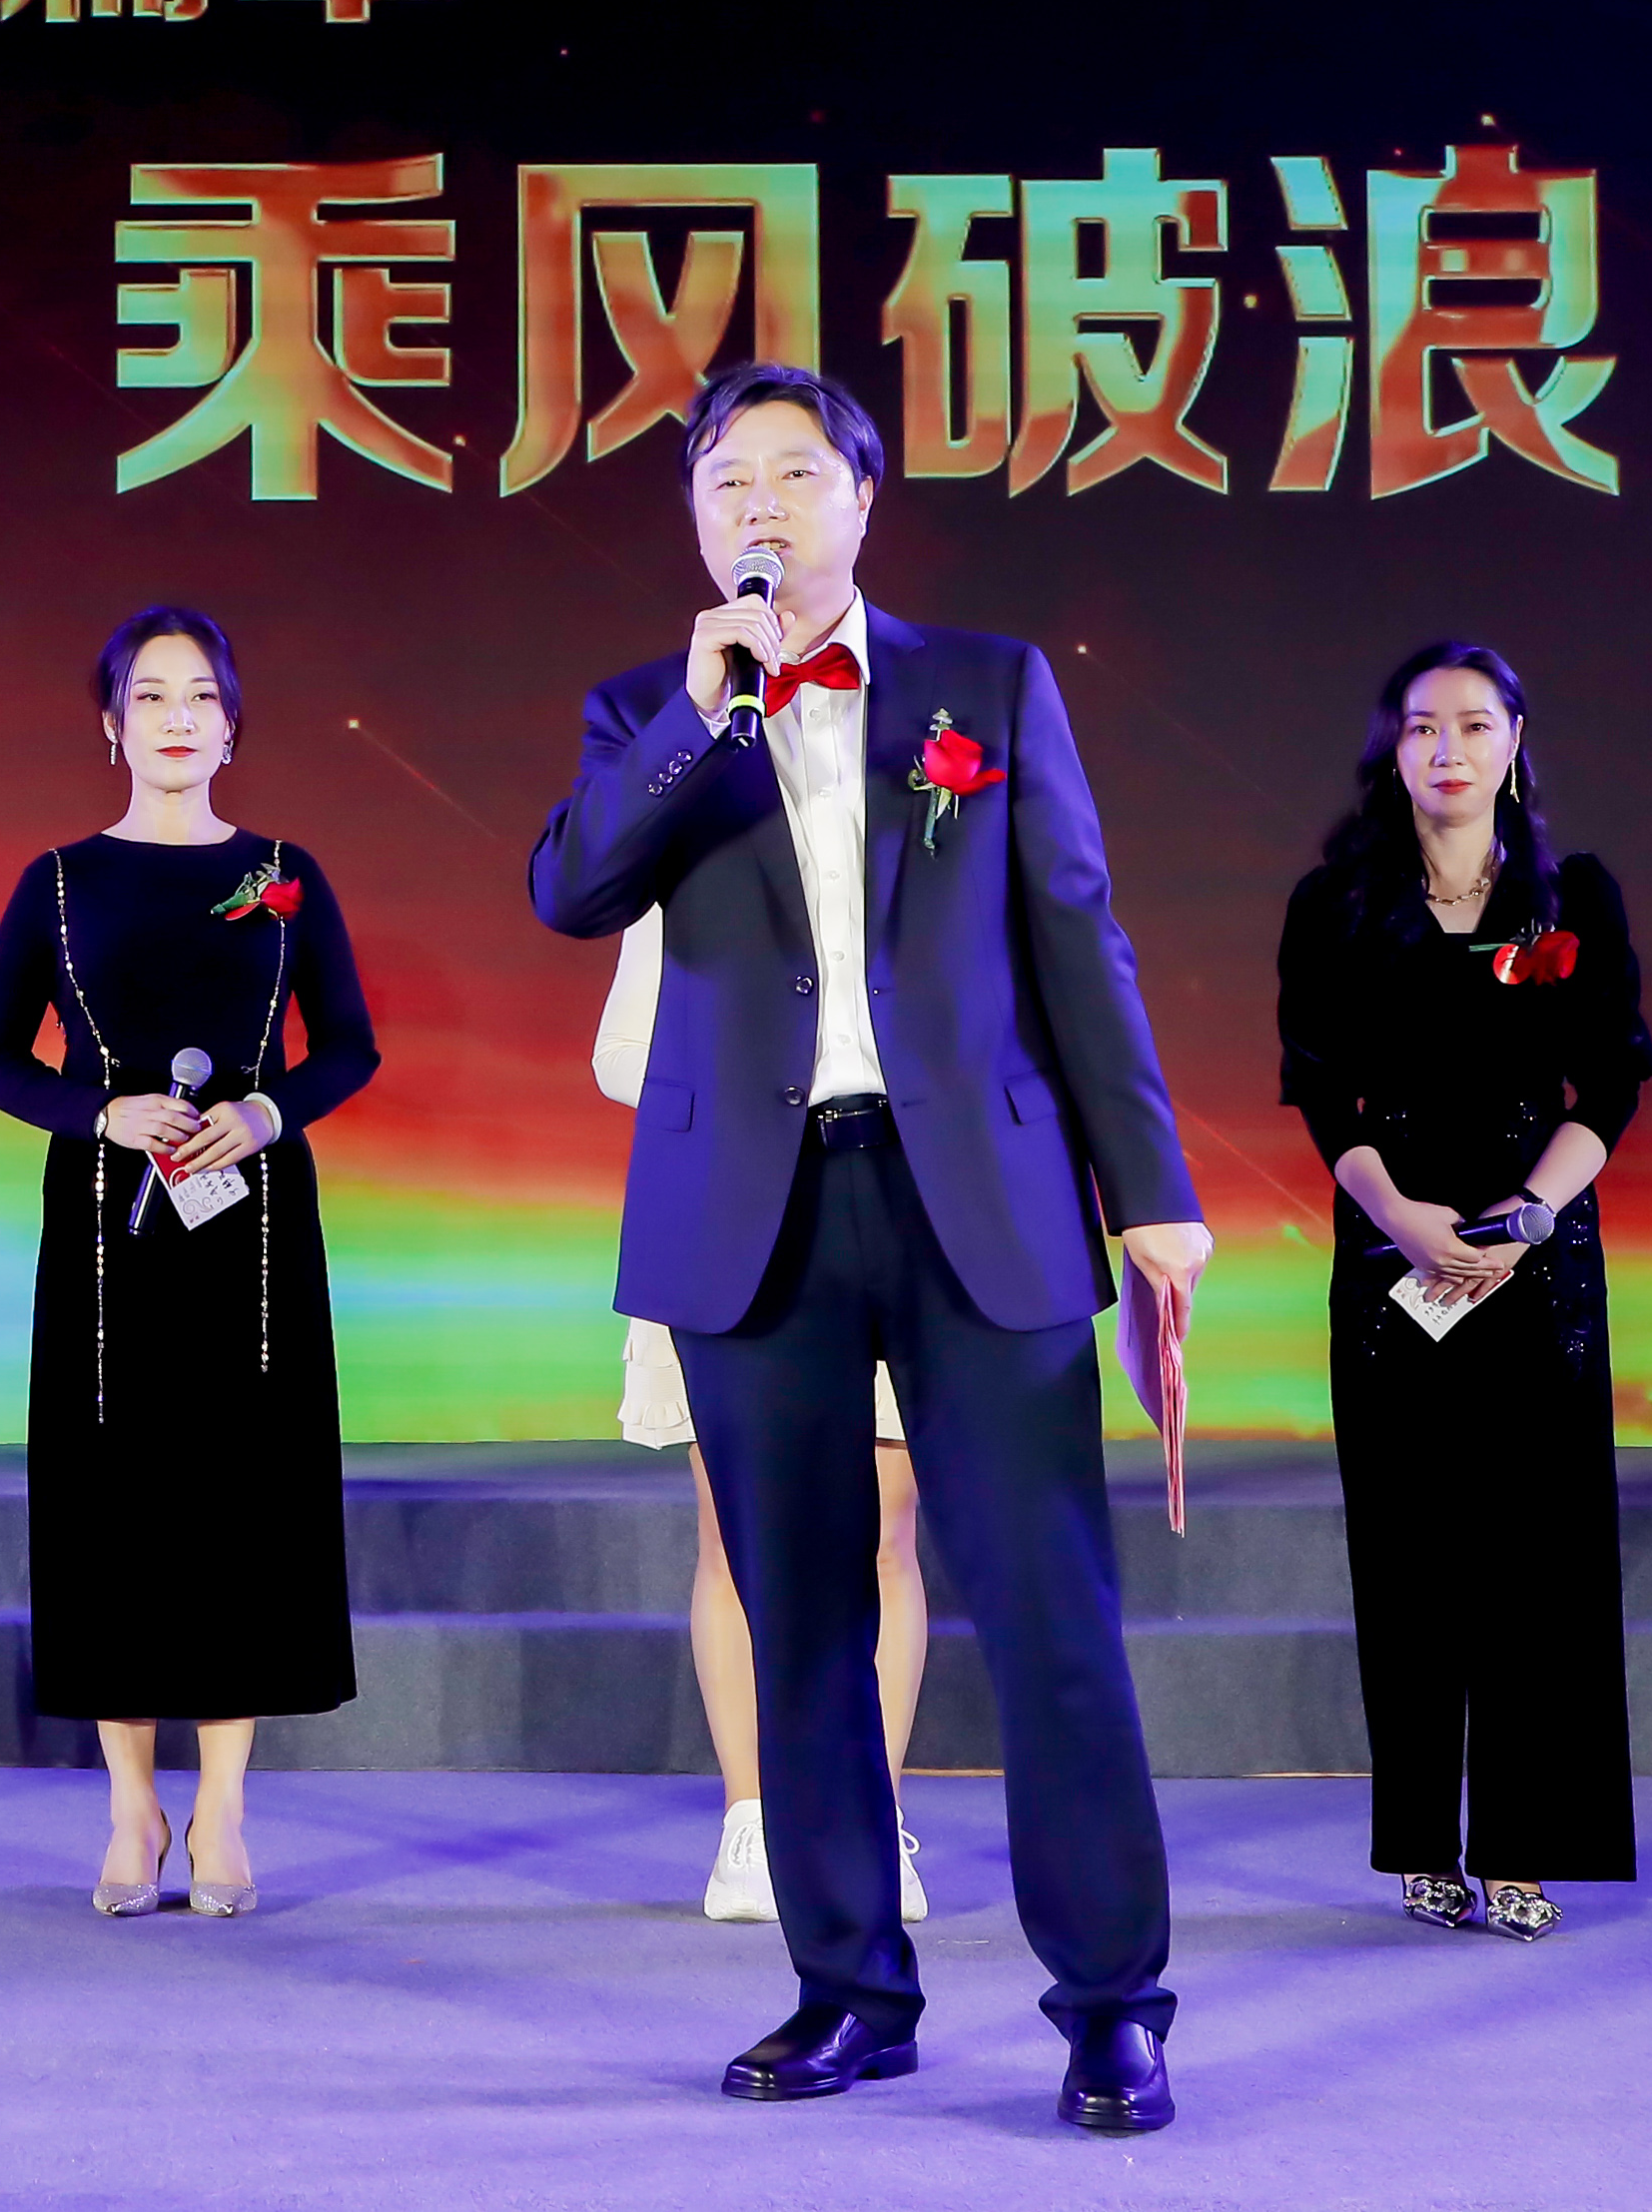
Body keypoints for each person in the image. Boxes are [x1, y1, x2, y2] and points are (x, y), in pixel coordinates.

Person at [529, 362, 1213, 2136]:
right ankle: (846, 1987)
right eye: (721, 482)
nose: (753, 505)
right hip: (751, 1211)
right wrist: (696, 722)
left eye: (788, 473)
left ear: (858, 497)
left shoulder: (985, 686)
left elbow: (1077, 940)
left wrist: (1148, 1186)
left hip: (976, 1194)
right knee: (805, 1620)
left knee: (1047, 1609)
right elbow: (570, 889)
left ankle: (1111, 2004)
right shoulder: (647, 711)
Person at [0, 607, 378, 1919]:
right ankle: (130, 1806)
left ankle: (224, 1808)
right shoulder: (58, 881)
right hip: (106, 1235)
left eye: (201, 694)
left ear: (231, 722)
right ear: (111, 725)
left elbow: (348, 1045)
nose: (178, 717)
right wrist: (101, 1112)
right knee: (115, 1504)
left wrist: (264, 1113)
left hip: (249, 1231)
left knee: (239, 1500)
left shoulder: (283, 873)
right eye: (150, 696)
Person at [1276, 642, 1652, 1943]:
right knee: (1408, 1557)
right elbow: (1321, 1092)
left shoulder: (1572, 898)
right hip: (1394, 1251)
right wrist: (1396, 1216)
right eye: (1422, 725)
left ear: (1513, 741)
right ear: (1390, 748)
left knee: (1536, 1563)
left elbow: (1610, 1080)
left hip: (1536, 1252)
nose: (1447, 748)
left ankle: (1521, 1847)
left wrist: (1529, 1215)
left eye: (1474, 723)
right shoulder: (1334, 903)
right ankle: (1419, 1844)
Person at [593, 913, 930, 1925]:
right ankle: (751, 1818)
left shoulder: (904, 861)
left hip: (895, 1213)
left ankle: (871, 1819)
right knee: (736, 1540)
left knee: (884, 1536)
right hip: (730, 1215)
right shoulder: (692, 870)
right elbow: (620, 1054)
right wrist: (768, 1087)